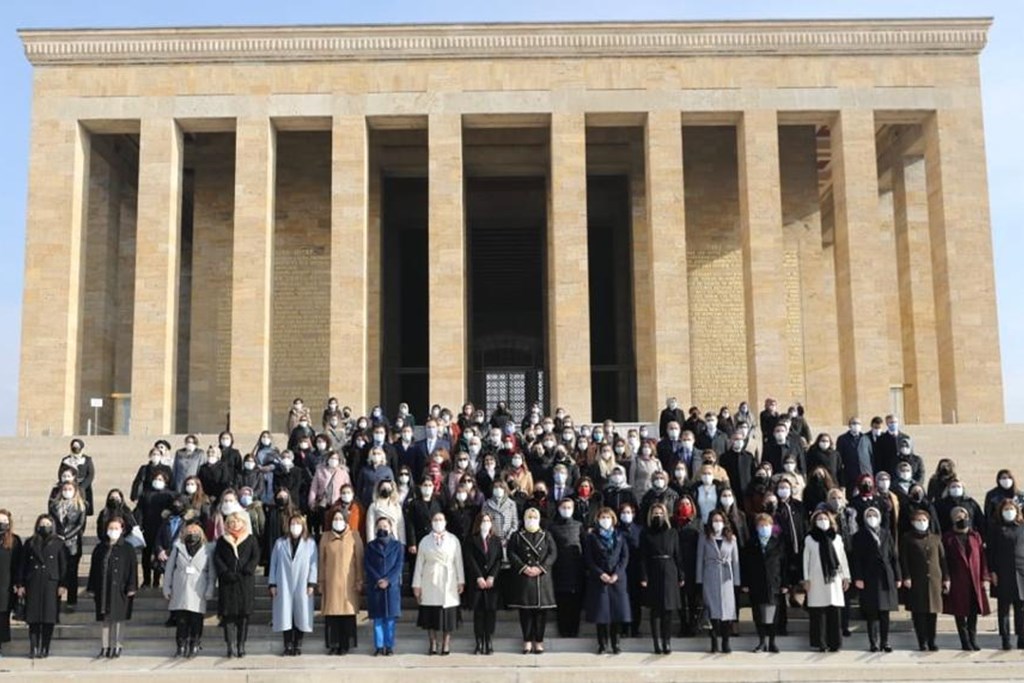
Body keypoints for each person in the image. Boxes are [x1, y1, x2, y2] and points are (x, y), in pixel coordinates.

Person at [412, 511, 465, 655]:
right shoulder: (425, 541)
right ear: (431, 523)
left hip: (449, 579)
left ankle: (446, 643)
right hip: (430, 579)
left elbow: (458, 561)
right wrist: (416, 585)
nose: (438, 522)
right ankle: (433, 643)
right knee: (431, 614)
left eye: (441, 519)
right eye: (435, 519)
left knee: (448, 615)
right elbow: (419, 564)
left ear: (446, 522)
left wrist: (461, 580)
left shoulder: (453, 540)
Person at [507, 507, 558, 654]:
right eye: (529, 517)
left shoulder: (546, 535)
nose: (532, 520)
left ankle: (539, 641)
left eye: (534, 517)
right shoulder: (517, 536)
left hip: (542, 578)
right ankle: (527, 641)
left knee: (541, 613)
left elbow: (553, 553)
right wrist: (523, 567)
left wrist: (542, 568)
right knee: (525, 612)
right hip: (525, 578)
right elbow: (511, 553)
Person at [86, 516, 138, 658]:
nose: (113, 531)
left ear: (122, 530)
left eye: (116, 528)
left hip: (121, 588)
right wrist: (91, 587)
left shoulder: (128, 548)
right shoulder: (100, 548)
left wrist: (132, 586)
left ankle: (117, 646)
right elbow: (94, 569)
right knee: (105, 618)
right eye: (111, 528)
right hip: (103, 588)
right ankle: (105, 647)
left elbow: (132, 569)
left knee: (119, 618)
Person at [851, 506, 901, 652]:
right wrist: (858, 577)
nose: (871, 518)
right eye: (869, 515)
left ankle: (885, 642)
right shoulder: (859, 535)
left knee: (885, 612)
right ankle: (873, 642)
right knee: (872, 612)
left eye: (874, 515)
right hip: (869, 575)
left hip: (886, 575)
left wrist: (898, 576)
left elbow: (893, 556)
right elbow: (856, 559)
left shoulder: (886, 533)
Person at [639, 502, 685, 654]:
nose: (657, 516)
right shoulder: (646, 533)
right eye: (655, 514)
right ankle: (656, 642)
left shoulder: (672, 532)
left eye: (660, 513)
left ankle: (667, 641)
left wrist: (681, 574)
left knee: (668, 610)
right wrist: (644, 576)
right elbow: (643, 557)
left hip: (670, 571)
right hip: (654, 571)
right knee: (655, 610)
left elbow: (678, 555)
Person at [18, 514, 66, 659]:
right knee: (33, 618)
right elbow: (22, 564)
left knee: (48, 618)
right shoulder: (30, 542)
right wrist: (20, 584)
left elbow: (63, 565)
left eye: (47, 524)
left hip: (51, 584)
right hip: (33, 582)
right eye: (42, 524)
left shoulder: (59, 543)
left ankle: (45, 647)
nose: (45, 527)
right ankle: (33, 647)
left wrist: (63, 584)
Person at [269, 514, 318, 656]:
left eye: (298, 523)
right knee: (285, 616)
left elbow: (314, 564)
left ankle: (298, 644)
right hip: (284, 582)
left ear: (303, 526)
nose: (295, 526)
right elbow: (273, 564)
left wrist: (311, 583)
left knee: (301, 614)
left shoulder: (310, 543)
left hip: (302, 583)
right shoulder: (280, 543)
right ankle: (288, 645)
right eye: (293, 523)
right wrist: (272, 583)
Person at [584, 507, 631, 654]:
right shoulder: (592, 537)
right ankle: (602, 644)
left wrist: (617, 573)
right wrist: (600, 573)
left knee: (616, 613)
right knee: (601, 614)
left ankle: (616, 644)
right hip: (600, 579)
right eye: (603, 517)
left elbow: (624, 557)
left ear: (613, 519)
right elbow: (589, 559)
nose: (606, 520)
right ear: (598, 519)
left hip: (617, 579)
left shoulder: (620, 536)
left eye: (608, 517)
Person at [900, 509, 948, 651]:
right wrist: (906, 576)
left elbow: (942, 559)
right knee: (919, 613)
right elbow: (904, 559)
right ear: (913, 522)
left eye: (924, 520)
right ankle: (922, 641)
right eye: (918, 520)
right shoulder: (907, 538)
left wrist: (946, 578)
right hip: (916, 579)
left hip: (934, 580)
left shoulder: (935, 538)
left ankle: (932, 641)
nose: (922, 523)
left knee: (932, 613)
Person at [163, 522, 214, 658]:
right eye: (189, 532)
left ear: (201, 534)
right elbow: (169, 569)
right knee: (181, 620)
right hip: (180, 588)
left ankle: (194, 644)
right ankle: (181, 645)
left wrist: (210, 589)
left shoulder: (207, 549)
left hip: (198, 589)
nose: (192, 534)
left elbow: (211, 572)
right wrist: (166, 587)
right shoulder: (178, 548)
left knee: (196, 619)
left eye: (195, 532)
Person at [942, 506, 990, 651]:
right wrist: (946, 578)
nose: (962, 519)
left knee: (973, 611)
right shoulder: (947, 538)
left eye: (964, 517)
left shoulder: (975, 536)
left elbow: (982, 557)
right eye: (958, 517)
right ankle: (964, 641)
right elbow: (944, 560)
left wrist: (984, 576)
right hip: (957, 579)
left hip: (974, 578)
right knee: (960, 611)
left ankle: (973, 639)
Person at [214, 512, 260, 658]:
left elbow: (255, 556)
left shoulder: (251, 539)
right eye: (232, 522)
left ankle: (241, 645)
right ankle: (230, 646)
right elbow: (217, 558)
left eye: (238, 521)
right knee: (228, 616)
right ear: (227, 525)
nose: (235, 524)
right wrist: (225, 572)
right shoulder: (222, 540)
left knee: (243, 616)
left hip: (245, 582)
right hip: (228, 583)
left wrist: (248, 569)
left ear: (243, 523)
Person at [802, 509, 850, 652]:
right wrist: (806, 579)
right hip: (816, 579)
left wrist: (846, 576)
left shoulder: (837, 538)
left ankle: (835, 643)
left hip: (834, 578)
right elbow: (805, 560)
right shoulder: (809, 539)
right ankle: (821, 643)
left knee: (834, 610)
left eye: (825, 519)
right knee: (819, 611)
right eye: (819, 519)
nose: (823, 521)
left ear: (830, 521)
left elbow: (842, 558)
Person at [318, 506, 364, 655]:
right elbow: (321, 561)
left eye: (340, 519)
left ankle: (346, 644)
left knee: (347, 614)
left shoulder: (354, 536)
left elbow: (359, 560)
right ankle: (333, 644)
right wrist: (320, 581)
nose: (337, 521)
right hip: (331, 582)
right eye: (335, 519)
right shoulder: (325, 537)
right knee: (332, 615)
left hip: (349, 583)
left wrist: (359, 580)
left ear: (345, 520)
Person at [696, 509, 740, 653]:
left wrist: (737, 581)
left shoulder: (731, 538)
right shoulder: (704, 537)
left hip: (727, 578)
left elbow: (735, 561)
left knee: (728, 611)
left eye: (720, 520)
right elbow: (700, 559)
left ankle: (726, 641)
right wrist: (699, 579)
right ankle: (714, 641)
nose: (718, 523)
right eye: (715, 520)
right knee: (712, 610)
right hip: (710, 575)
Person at [741, 513, 786, 653]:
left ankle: (772, 642)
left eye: (766, 525)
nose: (764, 528)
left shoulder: (778, 543)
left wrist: (785, 584)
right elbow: (745, 565)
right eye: (761, 525)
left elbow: (783, 565)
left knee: (773, 614)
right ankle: (761, 642)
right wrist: (745, 583)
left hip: (774, 583)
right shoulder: (751, 543)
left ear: (772, 526)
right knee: (758, 614)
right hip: (756, 583)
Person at [987, 500, 1024, 650]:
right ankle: (1005, 638)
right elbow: (990, 551)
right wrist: (992, 571)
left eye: (1011, 508)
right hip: (1002, 573)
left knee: (1021, 609)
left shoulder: (1022, 527)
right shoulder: (996, 528)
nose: (1009, 511)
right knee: (1004, 609)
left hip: (1020, 572)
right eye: (1006, 509)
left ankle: (1022, 637)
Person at [463, 512, 502, 654]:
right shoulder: (471, 539)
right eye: (483, 521)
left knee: (491, 613)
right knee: (478, 613)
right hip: (477, 582)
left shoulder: (496, 540)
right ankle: (479, 642)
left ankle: (489, 641)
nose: (486, 523)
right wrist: (478, 576)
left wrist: (492, 576)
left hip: (491, 583)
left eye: (488, 521)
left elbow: (498, 559)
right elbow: (469, 559)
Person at [365, 516, 403, 656]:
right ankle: (379, 646)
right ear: (375, 529)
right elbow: (367, 565)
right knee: (378, 619)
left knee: (390, 619)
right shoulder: (370, 546)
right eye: (380, 527)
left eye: (385, 526)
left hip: (391, 587)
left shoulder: (397, 546)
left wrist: (388, 580)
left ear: (391, 528)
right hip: (376, 586)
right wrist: (378, 579)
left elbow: (398, 565)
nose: (383, 529)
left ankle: (389, 646)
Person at [549, 497, 585, 637]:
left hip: (576, 568)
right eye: (563, 507)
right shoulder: (553, 527)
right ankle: (563, 630)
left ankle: (574, 630)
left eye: (569, 507)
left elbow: (584, 545)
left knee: (575, 601)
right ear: (559, 509)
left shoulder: (578, 525)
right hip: (559, 568)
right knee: (562, 601)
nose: (566, 510)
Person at [48, 479, 86, 610]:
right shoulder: (54, 505)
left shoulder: (80, 506)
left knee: (71, 573)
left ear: (75, 491)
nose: (67, 492)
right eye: (64, 489)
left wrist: (66, 536)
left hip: (73, 543)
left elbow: (80, 525)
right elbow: (51, 521)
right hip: (57, 542)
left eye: (70, 489)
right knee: (57, 572)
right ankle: (55, 602)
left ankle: (71, 601)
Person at [0, 510, 21, 658]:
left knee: (2, 616)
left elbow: (18, 565)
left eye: (4, 521)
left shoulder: (14, 541)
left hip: (5, 585)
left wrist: (18, 583)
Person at [59, 438, 96, 516]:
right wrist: (67, 484)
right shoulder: (66, 460)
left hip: (83, 488)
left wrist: (82, 487)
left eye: (78, 447)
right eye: (74, 447)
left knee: (82, 509)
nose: (75, 449)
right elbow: (60, 473)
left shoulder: (87, 460)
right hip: (68, 487)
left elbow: (90, 475)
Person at [366, 479, 405, 545]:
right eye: (383, 487)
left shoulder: (396, 506)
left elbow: (400, 525)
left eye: (388, 488)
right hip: (378, 540)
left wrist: (402, 543)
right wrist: (370, 543)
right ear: (379, 489)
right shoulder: (374, 506)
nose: (386, 489)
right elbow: (370, 526)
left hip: (394, 539)